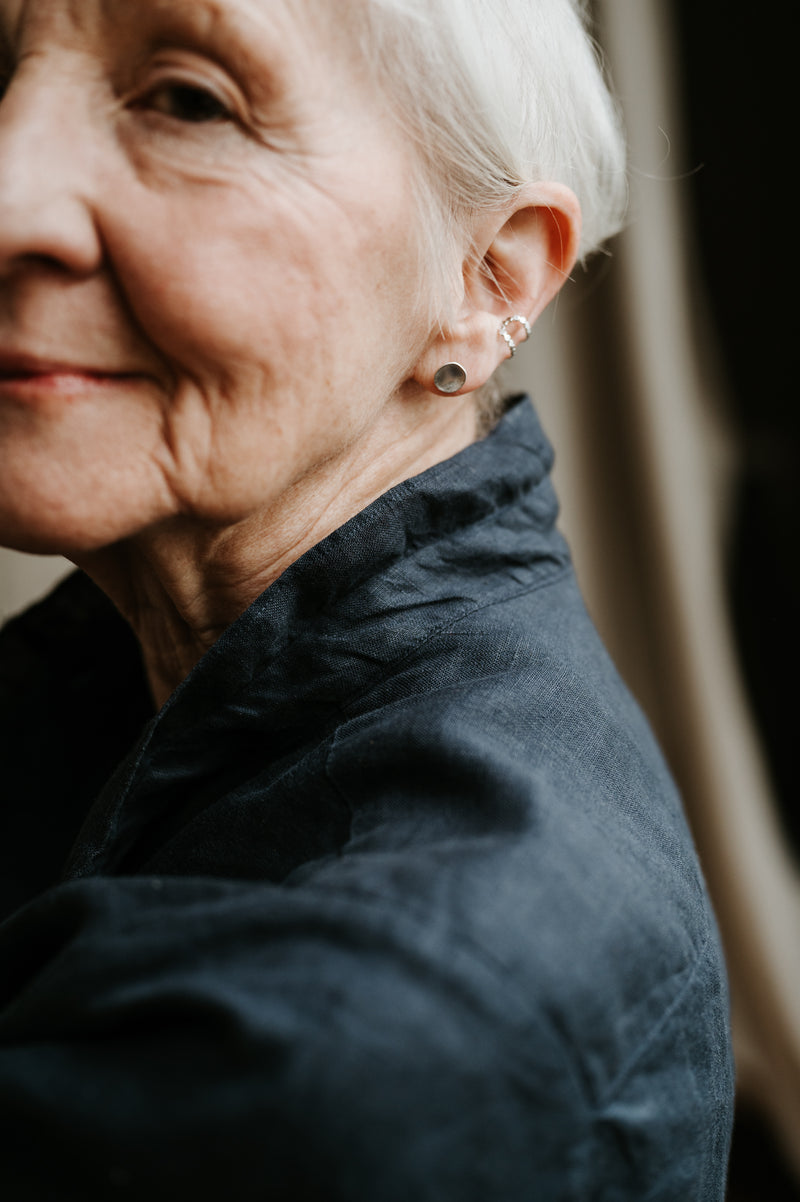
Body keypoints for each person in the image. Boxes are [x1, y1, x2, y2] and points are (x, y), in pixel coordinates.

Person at [0, 0, 734, 1197]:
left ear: (485, 279)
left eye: (188, 99)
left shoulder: (358, 1042)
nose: (9, 194)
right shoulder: (152, 657)